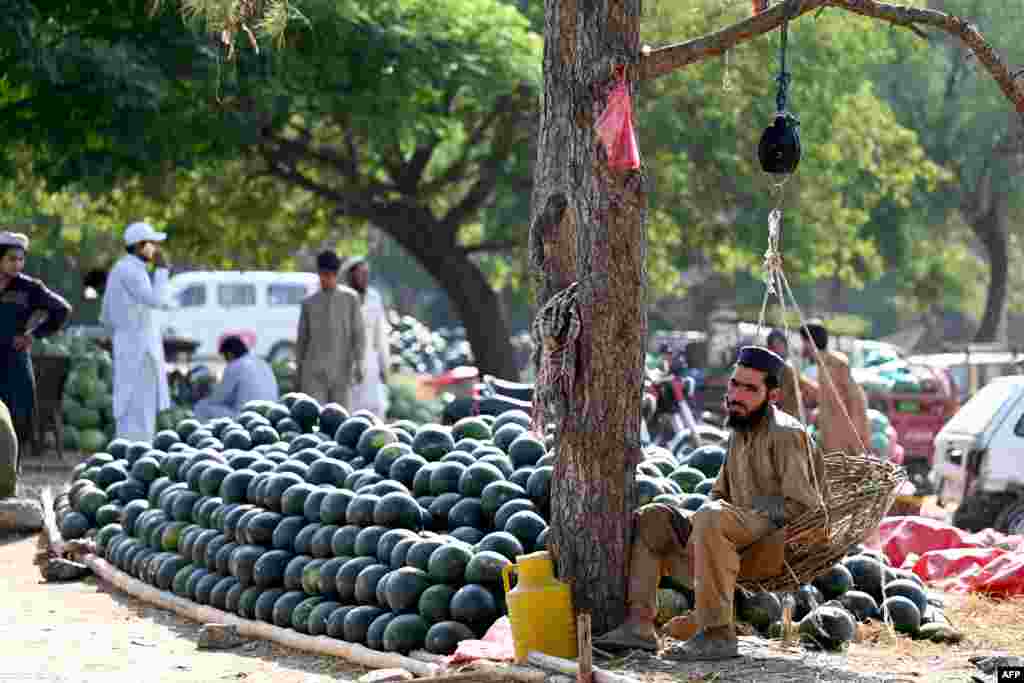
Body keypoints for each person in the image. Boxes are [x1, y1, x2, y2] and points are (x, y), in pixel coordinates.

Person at [594, 346, 827, 660]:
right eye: (734, 384)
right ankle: (640, 626)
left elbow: (805, 506)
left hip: (772, 546)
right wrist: (697, 530)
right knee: (653, 518)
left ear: (772, 396)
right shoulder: (740, 428)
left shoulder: (785, 434)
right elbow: (719, 495)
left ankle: (717, 634)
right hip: (728, 536)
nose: (736, 395)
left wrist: (736, 517)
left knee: (712, 516)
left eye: (749, 388)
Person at [0, 232, 72, 452]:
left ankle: (11, 471)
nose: (17, 264)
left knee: (17, 417)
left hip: (14, 362)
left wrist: (33, 335)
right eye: (12, 259)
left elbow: (61, 310)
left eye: (21, 259)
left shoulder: (29, 288)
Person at [100, 222, 171, 442]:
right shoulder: (132, 271)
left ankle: (131, 448)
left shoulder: (124, 269)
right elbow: (157, 300)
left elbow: (106, 316)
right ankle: (136, 450)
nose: (157, 250)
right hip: (139, 349)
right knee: (138, 402)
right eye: (153, 245)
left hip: (131, 344)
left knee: (132, 400)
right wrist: (162, 270)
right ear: (141, 246)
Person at [296, 250, 365, 407]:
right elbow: (302, 340)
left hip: (341, 370)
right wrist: (298, 373)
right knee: (314, 415)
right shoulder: (309, 303)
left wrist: (359, 363)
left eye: (328, 274)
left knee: (339, 419)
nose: (325, 279)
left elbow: (358, 334)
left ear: (336, 274)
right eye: (322, 274)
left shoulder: (350, 299)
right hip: (313, 372)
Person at [799, 320, 870, 455]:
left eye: (803, 341)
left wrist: (856, 435)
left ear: (809, 342)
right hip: (831, 438)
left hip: (843, 439)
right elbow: (828, 397)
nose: (802, 346)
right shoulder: (822, 363)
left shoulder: (834, 362)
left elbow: (853, 397)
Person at [342, 256, 391, 417]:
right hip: (347, 365)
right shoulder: (342, 298)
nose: (364, 277)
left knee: (375, 410)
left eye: (366, 273)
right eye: (360, 273)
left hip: (370, 362)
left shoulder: (374, 298)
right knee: (350, 412)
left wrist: (385, 366)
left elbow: (380, 335)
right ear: (351, 276)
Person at [194, 335, 279, 420]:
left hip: (246, 417)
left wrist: (204, 393)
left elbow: (219, 399)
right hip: (270, 415)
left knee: (201, 407)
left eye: (225, 357)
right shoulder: (263, 363)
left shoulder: (235, 365)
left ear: (229, 354)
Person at [766, 328, 816, 422]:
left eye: (778, 345)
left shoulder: (788, 369)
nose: (775, 349)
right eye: (772, 346)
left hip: (786, 420)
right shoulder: (771, 369)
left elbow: (812, 389)